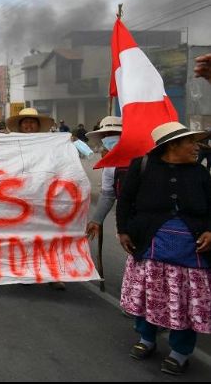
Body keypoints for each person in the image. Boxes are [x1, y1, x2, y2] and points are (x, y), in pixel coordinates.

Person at [117, 121, 211, 375]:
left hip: (191, 251)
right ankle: (146, 339)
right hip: (148, 244)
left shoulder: (200, 173)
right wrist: (123, 230)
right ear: (172, 145)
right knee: (150, 293)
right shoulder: (143, 166)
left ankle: (180, 352)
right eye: (191, 142)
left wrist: (210, 231)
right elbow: (125, 200)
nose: (197, 147)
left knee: (184, 299)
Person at [6, 108, 66, 290]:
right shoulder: (10, 144)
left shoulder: (52, 144)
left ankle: (54, 275)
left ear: (38, 126)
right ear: (20, 125)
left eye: (32, 122)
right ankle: (25, 272)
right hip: (21, 198)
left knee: (50, 237)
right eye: (25, 122)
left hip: (46, 197)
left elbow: (62, 163)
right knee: (24, 237)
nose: (29, 125)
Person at [84, 116, 124, 240]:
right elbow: (108, 194)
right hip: (126, 222)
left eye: (114, 134)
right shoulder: (109, 165)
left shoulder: (142, 157)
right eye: (106, 135)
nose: (109, 138)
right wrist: (97, 220)